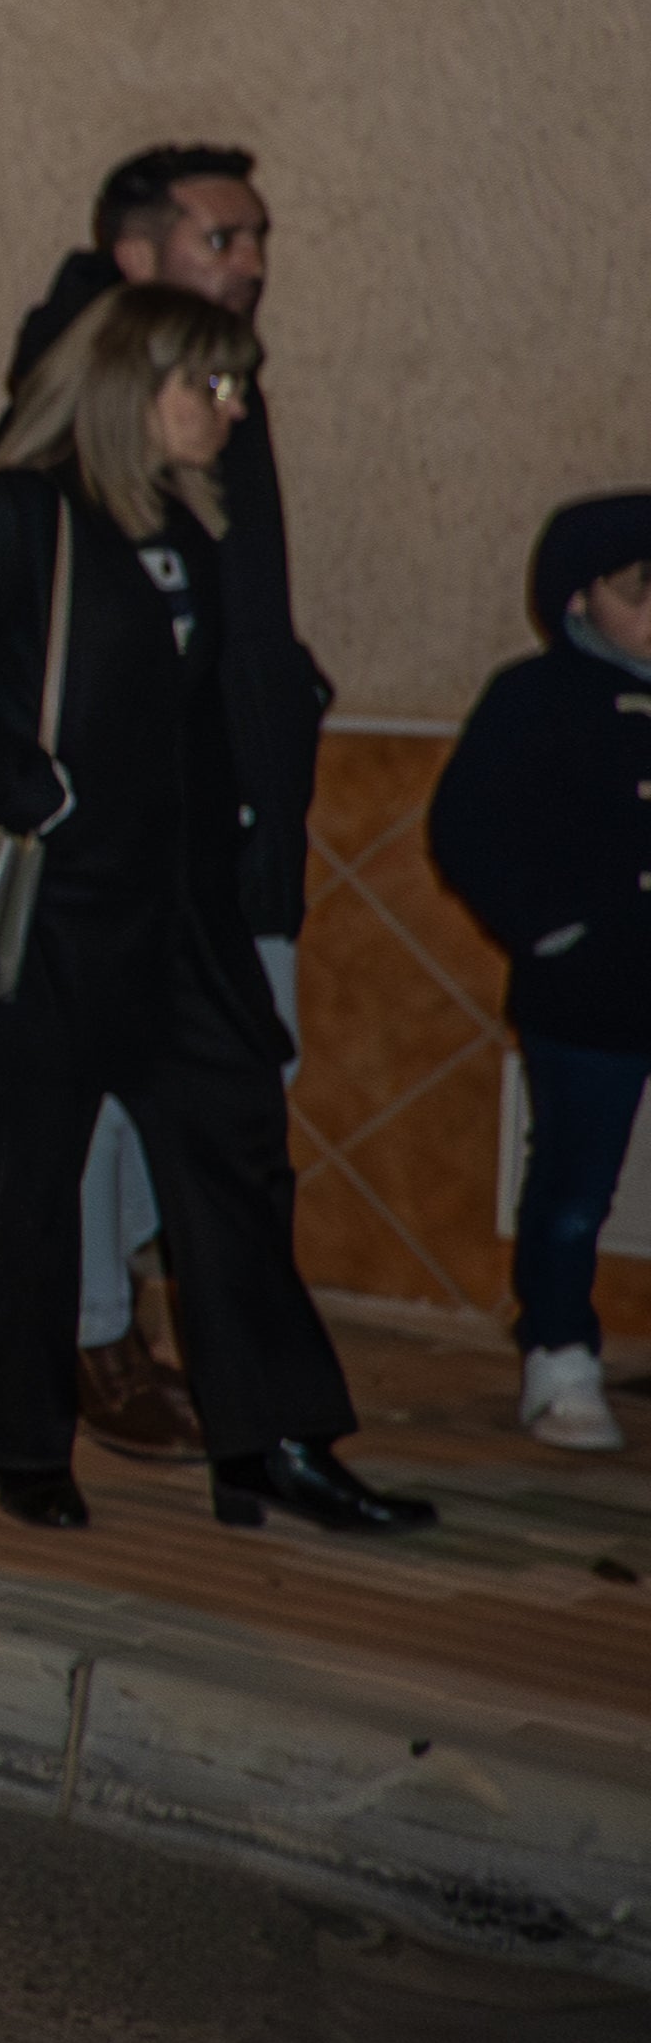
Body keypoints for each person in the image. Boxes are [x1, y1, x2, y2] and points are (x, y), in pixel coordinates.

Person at [0, 284, 433, 1537]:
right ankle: (26, 1444)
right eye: (210, 385)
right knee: (27, 1193)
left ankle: (272, 1443)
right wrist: (43, 793)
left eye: (240, 388)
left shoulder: (190, 522)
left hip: (185, 921)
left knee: (237, 1167)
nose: (231, 411)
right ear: (132, 385)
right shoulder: (16, 515)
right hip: (54, 914)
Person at [0, 148, 324, 1455]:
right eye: (220, 237)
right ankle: (89, 1335)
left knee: (224, 1065)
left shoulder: (222, 387)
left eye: (258, 238)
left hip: (230, 806)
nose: (249, 260)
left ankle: (153, 1303)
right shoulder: (87, 398)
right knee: (108, 1082)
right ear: (136, 256)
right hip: (125, 833)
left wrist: (278, 702)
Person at [426, 495, 651, 1453]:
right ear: (579, 599)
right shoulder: (532, 698)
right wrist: (546, 929)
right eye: (644, 593)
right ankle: (558, 1353)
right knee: (571, 1186)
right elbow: (466, 828)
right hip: (586, 997)